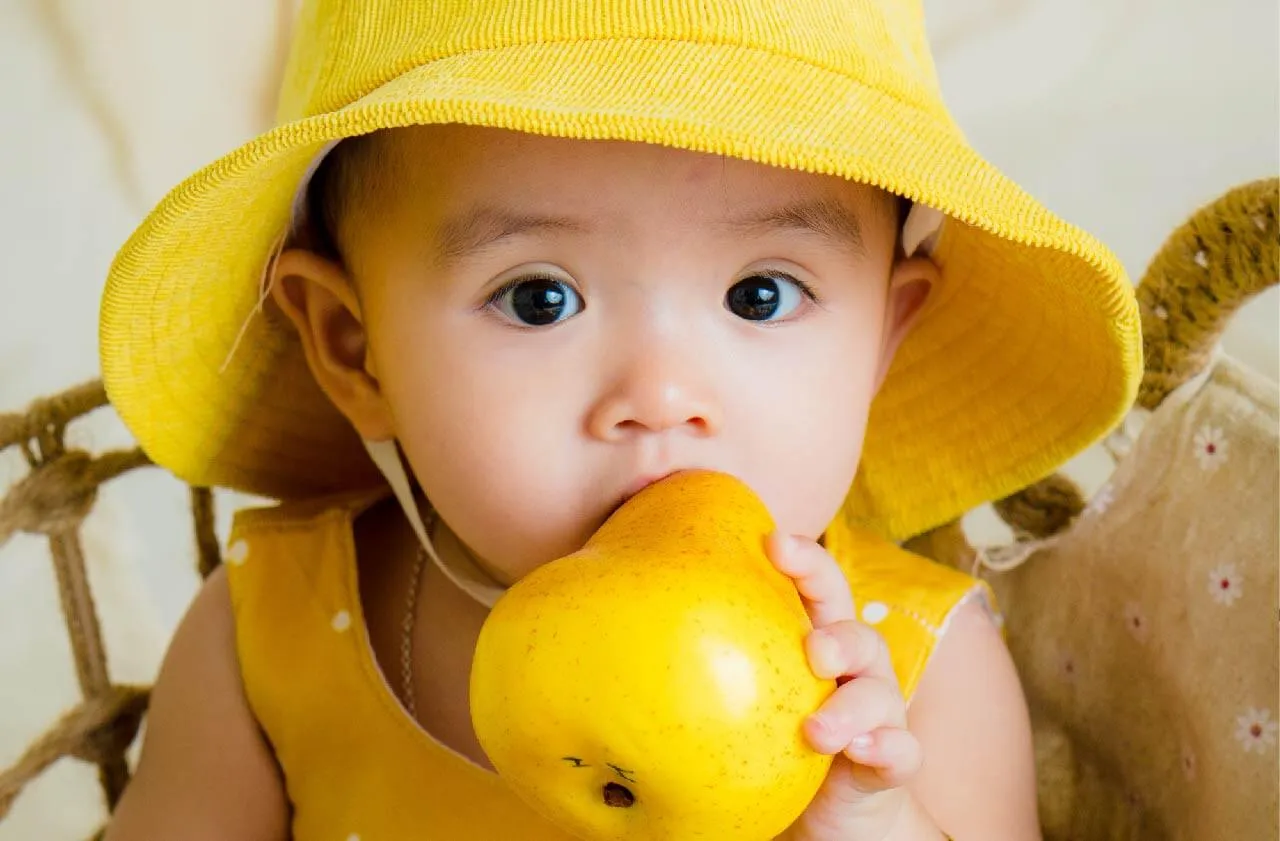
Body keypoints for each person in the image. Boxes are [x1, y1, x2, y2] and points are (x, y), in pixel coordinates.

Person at [99, 1, 1140, 839]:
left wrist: (872, 821)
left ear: (882, 334)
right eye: (537, 297)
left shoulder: (910, 673)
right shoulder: (271, 635)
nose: (660, 394)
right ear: (351, 345)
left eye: (760, 294)